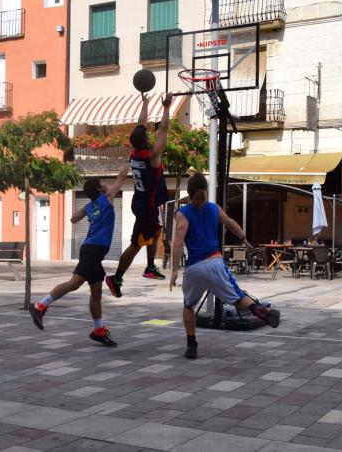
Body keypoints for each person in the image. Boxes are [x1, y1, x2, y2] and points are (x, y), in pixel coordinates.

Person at [170, 173, 281, 359]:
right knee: (237, 297)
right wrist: (244, 238)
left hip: (195, 268)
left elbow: (178, 242)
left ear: (188, 192)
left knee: (188, 305)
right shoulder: (214, 209)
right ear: (205, 191)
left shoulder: (182, 214)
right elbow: (230, 223)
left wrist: (174, 269)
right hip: (215, 263)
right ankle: (258, 309)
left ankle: (192, 345)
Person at [30, 164, 130, 346]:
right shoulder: (106, 199)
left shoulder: (91, 205)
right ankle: (40, 305)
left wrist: (85, 211)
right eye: (102, 182)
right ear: (100, 189)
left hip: (91, 251)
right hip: (92, 250)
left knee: (96, 292)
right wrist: (132, 158)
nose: (106, 183)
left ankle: (99, 331)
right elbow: (121, 177)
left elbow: (73, 218)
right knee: (75, 283)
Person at [105, 91, 172, 297]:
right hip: (146, 207)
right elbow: (163, 128)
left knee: (157, 230)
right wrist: (166, 107)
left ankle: (150, 267)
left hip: (142, 202)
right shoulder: (153, 156)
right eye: (147, 135)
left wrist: (144, 103)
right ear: (145, 141)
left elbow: (141, 123)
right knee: (136, 244)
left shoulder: (134, 153)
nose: (149, 135)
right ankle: (116, 278)